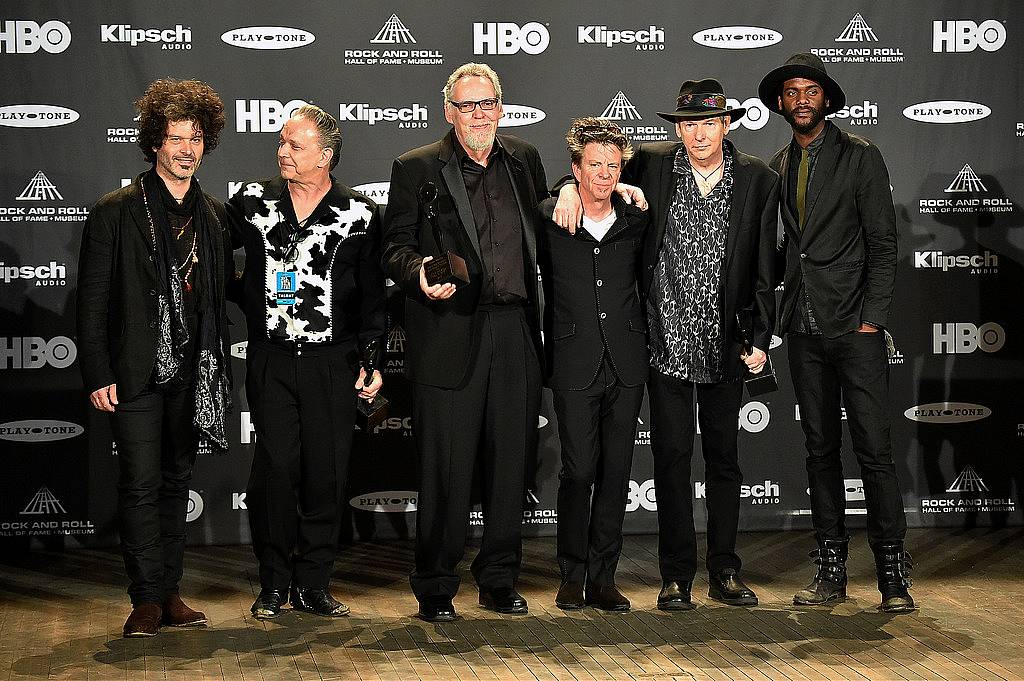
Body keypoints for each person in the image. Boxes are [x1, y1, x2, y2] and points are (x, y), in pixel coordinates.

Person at [555, 79, 778, 610]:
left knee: (725, 463)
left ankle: (724, 570)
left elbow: (767, 266)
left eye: (707, 123)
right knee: (672, 460)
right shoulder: (651, 165)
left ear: (727, 124)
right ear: (677, 129)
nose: (697, 134)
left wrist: (763, 337)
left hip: (727, 344)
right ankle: (676, 575)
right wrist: (567, 187)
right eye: (687, 124)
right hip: (663, 343)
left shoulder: (757, 179)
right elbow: (591, 176)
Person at [381, 62, 549, 622]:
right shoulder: (416, 168)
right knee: (446, 471)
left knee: (510, 468)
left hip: (514, 331)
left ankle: (499, 579)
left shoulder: (524, 160)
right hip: (449, 332)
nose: (478, 115)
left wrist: (596, 186)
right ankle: (434, 585)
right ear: (448, 111)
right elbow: (394, 247)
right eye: (466, 105)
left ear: (500, 108)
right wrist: (418, 275)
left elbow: (550, 222)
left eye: (487, 104)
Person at [758, 53, 914, 612]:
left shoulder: (859, 156)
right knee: (819, 451)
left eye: (811, 90)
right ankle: (830, 571)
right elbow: (780, 250)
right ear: (780, 103)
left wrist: (873, 317)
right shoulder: (775, 165)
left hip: (854, 325)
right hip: (801, 326)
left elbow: (884, 243)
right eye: (792, 91)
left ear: (827, 98)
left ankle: (893, 576)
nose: (801, 99)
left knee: (875, 451)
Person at [77, 78, 231, 637]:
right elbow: (92, 302)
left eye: (195, 139)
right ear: (153, 143)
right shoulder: (116, 212)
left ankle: (169, 593)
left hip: (193, 375)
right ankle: (143, 597)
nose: (186, 150)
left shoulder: (213, 216)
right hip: (137, 373)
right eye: (174, 139)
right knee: (140, 485)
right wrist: (97, 371)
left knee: (174, 483)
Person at [227, 104, 385, 619]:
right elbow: (215, 261)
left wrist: (371, 358)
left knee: (328, 474)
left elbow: (371, 300)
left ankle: (314, 582)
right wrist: (244, 298)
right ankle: (273, 582)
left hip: (332, 362)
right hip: (271, 358)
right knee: (273, 472)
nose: (282, 152)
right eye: (281, 143)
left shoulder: (359, 213)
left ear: (326, 155)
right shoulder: (250, 201)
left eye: (294, 145)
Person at [538, 118, 649, 612]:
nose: (604, 174)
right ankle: (572, 573)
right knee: (578, 472)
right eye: (594, 164)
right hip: (573, 362)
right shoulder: (550, 216)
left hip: (626, 365)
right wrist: (563, 191)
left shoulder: (637, 215)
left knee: (615, 472)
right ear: (576, 168)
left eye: (612, 165)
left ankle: (604, 577)